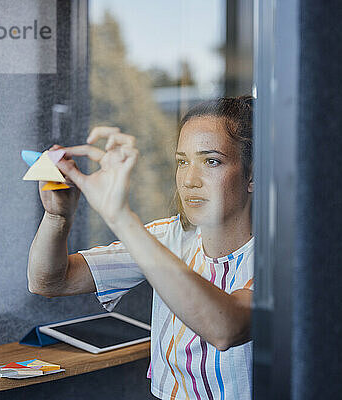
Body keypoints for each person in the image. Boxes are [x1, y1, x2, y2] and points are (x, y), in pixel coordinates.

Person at [27, 95, 255, 399]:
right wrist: (58, 216)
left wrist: (119, 215)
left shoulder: (282, 257)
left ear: (252, 173)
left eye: (211, 161)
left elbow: (226, 328)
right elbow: (49, 281)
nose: (189, 180)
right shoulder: (166, 238)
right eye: (182, 162)